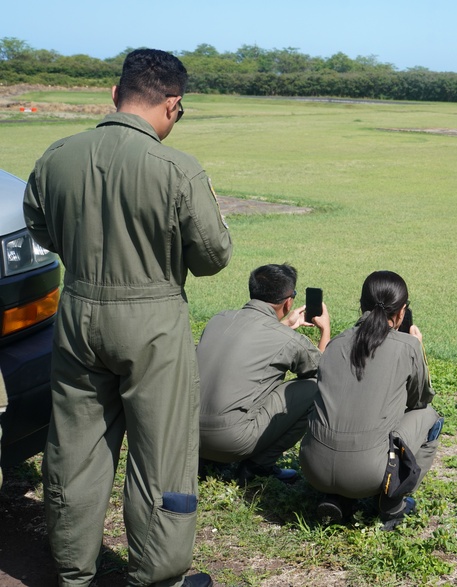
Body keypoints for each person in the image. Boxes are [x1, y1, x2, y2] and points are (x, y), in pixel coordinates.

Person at [22, 49, 232, 587]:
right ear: (173, 103)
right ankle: (156, 575)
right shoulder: (177, 167)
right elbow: (212, 259)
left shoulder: (57, 155)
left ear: (115, 95)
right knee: (162, 452)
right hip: (153, 318)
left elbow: (42, 231)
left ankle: (73, 571)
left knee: (74, 445)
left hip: (77, 314)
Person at [300, 271, 443, 530]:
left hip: (313, 468)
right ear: (401, 313)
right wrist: (417, 349)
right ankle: (392, 502)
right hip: (368, 475)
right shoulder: (407, 346)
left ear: (361, 304)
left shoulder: (335, 343)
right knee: (431, 417)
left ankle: (339, 497)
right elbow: (420, 400)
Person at [197, 264, 331, 484]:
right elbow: (324, 372)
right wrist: (325, 330)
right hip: (231, 442)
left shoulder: (218, 319)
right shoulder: (287, 339)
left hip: (187, 437)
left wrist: (284, 325)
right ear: (288, 301)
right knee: (314, 388)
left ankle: (207, 459)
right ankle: (258, 466)